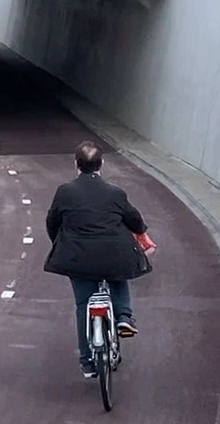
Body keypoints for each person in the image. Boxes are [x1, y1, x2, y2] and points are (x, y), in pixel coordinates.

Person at [42, 140, 153, 379]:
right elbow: (134, 220)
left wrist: (59, 244)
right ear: (101, 164)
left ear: (76, 165)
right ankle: (123, 316)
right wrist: (142, 233)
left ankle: (87, 362)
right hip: (114, 255)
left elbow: (52, 222)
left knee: (84, 304)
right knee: (117, 279)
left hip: (78, 257)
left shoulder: (65, 191)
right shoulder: (115, 193)